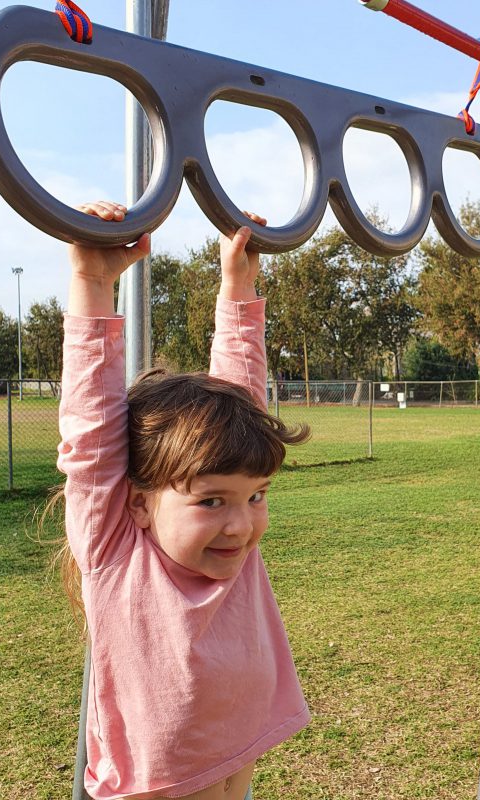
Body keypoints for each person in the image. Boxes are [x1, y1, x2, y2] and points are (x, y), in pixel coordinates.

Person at [57, 200, 311, 800]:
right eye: (212, 502)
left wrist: (239, 286)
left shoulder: (235, 556)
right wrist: (91, 282)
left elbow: (240, 398)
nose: (242, 526)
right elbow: (91, 436)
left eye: (256, 496)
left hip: (237, 767)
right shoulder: (116, 555)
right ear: (139, 504)